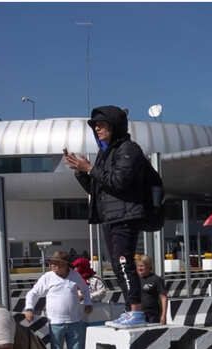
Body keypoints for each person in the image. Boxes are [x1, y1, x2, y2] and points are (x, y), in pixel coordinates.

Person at [63, 105, 152, 329]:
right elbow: (97, 188)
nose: (97, 129)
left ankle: (137, 312)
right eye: (95, 126)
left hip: (125, 215)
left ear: (114, 126)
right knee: (117, 264)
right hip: (109, 216)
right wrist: (80, 171)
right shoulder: (105, 153)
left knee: (124, 263)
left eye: (102, 125)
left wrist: (91, 168)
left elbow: (119, 182)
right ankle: (131, 310)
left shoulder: (128, 149)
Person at [23, 252, 93, 349]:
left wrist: (88, 302)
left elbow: (85, 289)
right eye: (51, 263)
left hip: (75, 321)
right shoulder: (47, 277)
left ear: (65, 264)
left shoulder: (74, 275)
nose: (52, 265)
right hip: (55, 323)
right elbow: (33, 293)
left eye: (56, 263)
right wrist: (29, 308)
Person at [136, 255, 167, 324]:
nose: (139, 268)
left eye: (142, 266)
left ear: (148, 266)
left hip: (153, 316)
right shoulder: (135, 280)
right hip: (139, 315)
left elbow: (163, 298)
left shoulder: (156, 279)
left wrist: (163, 315)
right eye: (138, 266)